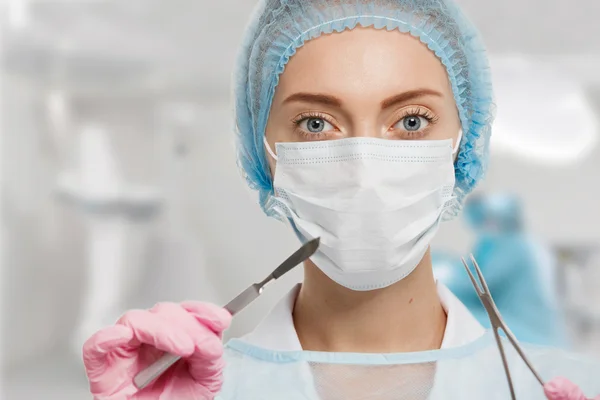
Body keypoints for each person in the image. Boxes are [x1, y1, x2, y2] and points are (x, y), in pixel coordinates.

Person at [82, 1, 600, 399]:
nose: (363, 168)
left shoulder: (561, 386)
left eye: (411, 121)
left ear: (462, 146)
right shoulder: (190, 390)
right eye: (315, 124)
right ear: (265, 157)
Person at [433, 193, 568, 347]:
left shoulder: (513, 246)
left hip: (527, 331)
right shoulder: (527, 243)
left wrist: (441, 274)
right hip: (543, 334)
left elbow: (475, 283)